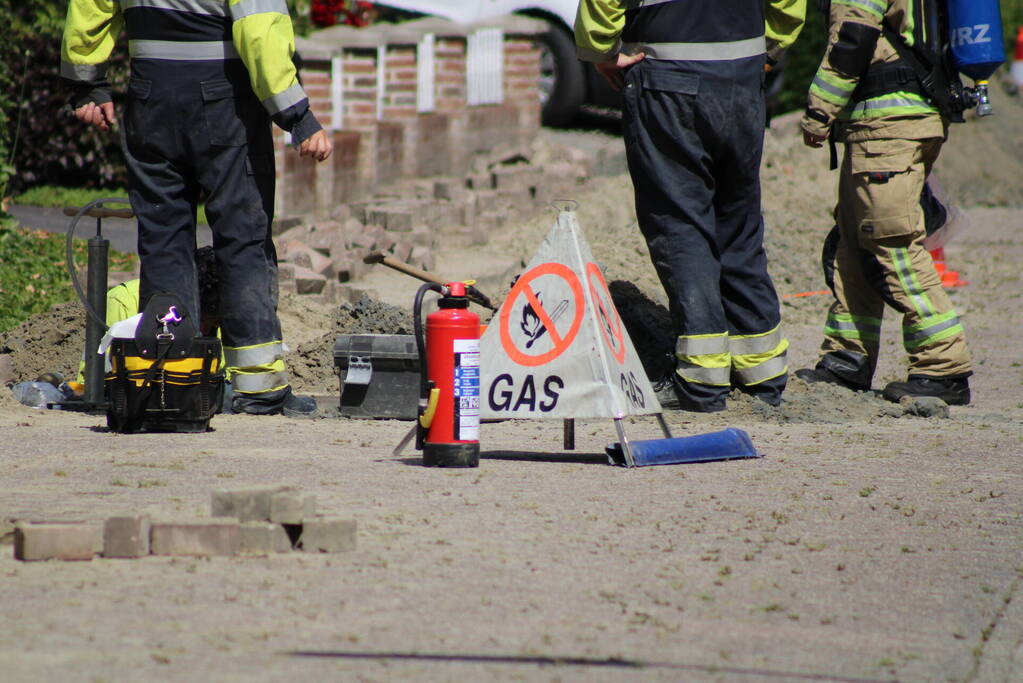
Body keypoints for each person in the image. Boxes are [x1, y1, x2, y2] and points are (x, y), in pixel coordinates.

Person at [61, 0, 332, 416]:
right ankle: (259, 388)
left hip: (149, 98)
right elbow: (260, 33)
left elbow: (90, 10)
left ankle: (172, 378)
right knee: (242, 239)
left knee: (163, 239)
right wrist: (298, 117)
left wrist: (87, 86)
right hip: (224, 103)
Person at [574, 0, 806, 412]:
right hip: (741, 75)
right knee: (739, 219)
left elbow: (602, 8)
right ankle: (763, 374)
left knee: (680, 222)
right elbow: (789, 8)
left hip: (667, 78)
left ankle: (703, 381)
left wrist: (602, 52)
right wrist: (762, 49)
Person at [797, 0, 972, 405]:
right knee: (853, 244)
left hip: (888, 127)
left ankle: (943, 368)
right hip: (889, 122)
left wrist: (819, 111)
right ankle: (847, 358)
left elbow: (853, 39)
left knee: (893, 244)